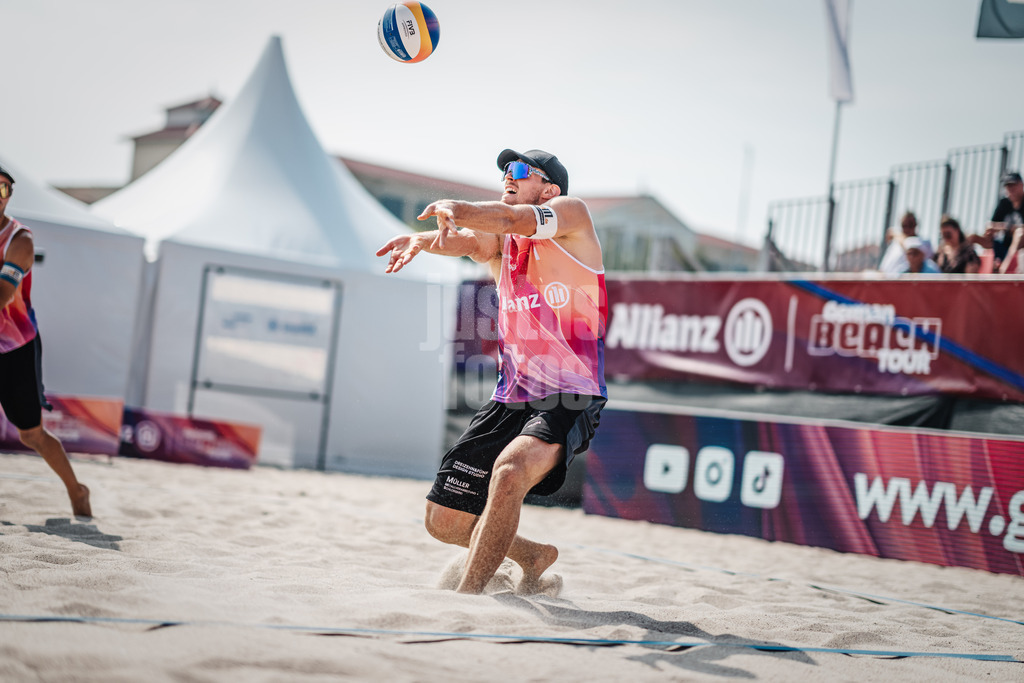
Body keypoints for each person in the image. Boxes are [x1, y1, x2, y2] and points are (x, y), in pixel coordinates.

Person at [376, 149, 606, 594]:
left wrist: (458, 208)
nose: (508, 177)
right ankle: (532, 555)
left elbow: (507, 219)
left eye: (520, 171)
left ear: (549, 189)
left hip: (570, 393)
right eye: (504, 171)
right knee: (444, 521)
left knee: (510, 471)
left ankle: (469, 598)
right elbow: (471, 241)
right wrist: (424, 240)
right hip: (510, 396)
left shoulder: (571, 216)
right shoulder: (507, 246)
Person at [0, 164, 91, 517]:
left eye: (3, 188)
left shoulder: (19, 240)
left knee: (31, 435)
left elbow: (3, 296)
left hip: (16, 347)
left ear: (9, 196)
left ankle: (77, 490)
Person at [970, 171, 1024, 272]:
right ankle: (966, 269)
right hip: (1003, 245)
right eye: (1007, 186)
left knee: (1020, 234)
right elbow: (991, 225)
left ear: (1021, 185)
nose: (1010, 189)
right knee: (971, 236)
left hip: (1019, 246)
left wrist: (1007, 228)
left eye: (1013, 185)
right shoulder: (1004, 203)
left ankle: (1004, 269)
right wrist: (995, 229)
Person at [879, 211, 934, 275]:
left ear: (916, 225)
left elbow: (907, 245)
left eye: (910, 225)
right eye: (904, 225)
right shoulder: (895, 244)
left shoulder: (923, 243)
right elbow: (883, 268)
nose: (907, 228)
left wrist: (896, 235)